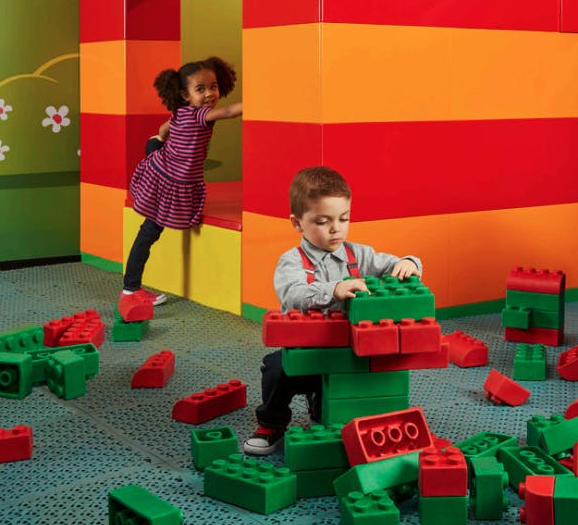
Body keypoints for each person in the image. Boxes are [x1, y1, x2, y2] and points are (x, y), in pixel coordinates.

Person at [243, 166, 423, 456]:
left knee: (363, 382)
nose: (336, 228)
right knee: (277, 369)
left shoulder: (359, 254)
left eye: (344, 218)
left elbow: (392, 264)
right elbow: (292, 293)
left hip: (349, 352)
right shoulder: (292, 261)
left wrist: (410, 262)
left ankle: (324, 402)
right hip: (307, 352)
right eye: (322, 221)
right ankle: (271, 424)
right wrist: (334, 289)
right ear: (297, 223)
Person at [120, 57, 242, 307]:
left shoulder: (181, 113)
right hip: (167, 177)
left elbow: (164, 128)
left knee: (154, 143)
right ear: (185, 95)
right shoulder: (200, 116)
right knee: (149, 231)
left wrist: (161, 139)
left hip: (162, 164)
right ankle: (130, 289)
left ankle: (153, 147)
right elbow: (230, 111)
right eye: (200, 89)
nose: (209, 94)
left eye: (213, 86)